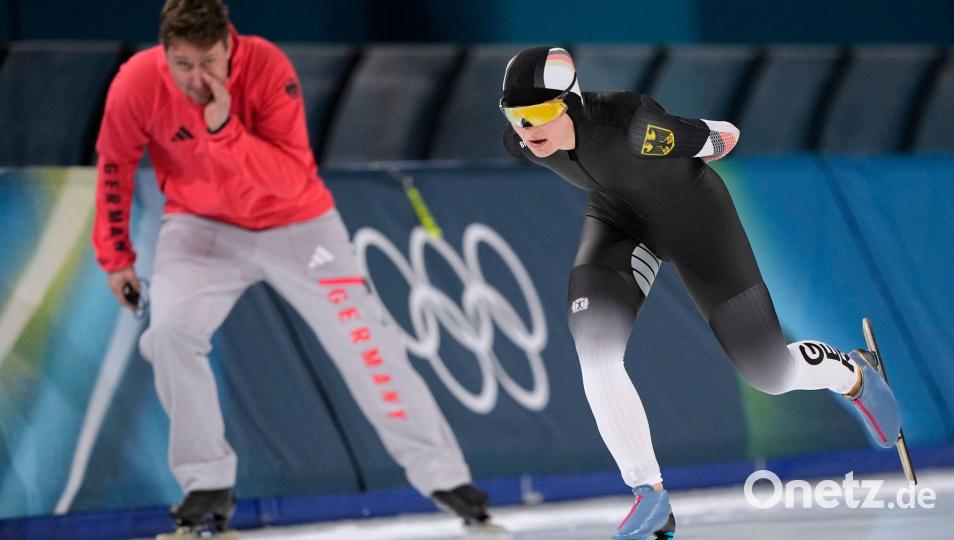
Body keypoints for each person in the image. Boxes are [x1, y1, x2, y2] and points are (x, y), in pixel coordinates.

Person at [92, 0, 493, 535]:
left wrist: (222, 130)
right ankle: (206, 482)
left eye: (207, 62)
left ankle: (446, 480)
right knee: (168, 334)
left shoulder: (268, 67)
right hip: (202, 226)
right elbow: (114, 166)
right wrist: (116, 257)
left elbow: (288, 177)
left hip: (299, 227)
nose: (195, 77)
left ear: (229, 44)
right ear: (164, 52)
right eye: (181, 64)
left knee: (368, 346)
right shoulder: (136, 82)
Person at [499, 46, 902, 540]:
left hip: (699, 224)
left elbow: (724, 137)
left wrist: (703, 137)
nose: (527, 128)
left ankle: (851, 372)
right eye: (516, 116)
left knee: (770, 374)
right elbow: (536, 136)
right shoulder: (520, 141)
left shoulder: (629, 124)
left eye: (539, 112)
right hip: (619, 223)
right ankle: (650, 497)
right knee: (596, 353)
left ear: (572, 102)